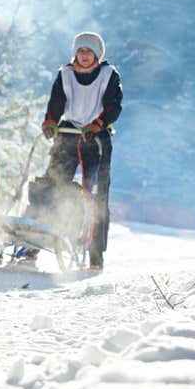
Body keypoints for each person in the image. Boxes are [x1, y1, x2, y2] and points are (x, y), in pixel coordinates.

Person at [25, 31, 123, 270]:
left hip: (96, 138)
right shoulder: (65, 74)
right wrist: (50, 121)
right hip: (68, 134)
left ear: (97, 54)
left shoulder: (109, 75)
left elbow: (114, 106)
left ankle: (94, 254)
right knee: (50, 186)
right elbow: (56, 102)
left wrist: (98, 125)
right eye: (81, 51)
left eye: (89, 51)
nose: (85, 56)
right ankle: (31, 244)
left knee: (95, 197)